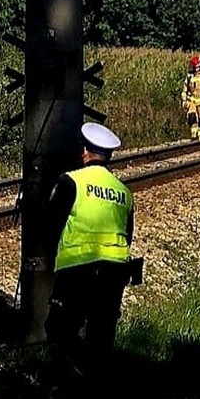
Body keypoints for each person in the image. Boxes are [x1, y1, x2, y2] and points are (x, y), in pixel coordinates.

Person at [45, 122, 136, 377]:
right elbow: (128, 234)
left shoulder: (71, 181)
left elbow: (51, 225)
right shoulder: (124, 192)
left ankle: (81, 375)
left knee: (59, 329)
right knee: (101, 333)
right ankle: (98, 384)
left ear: (84, 151)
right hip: (115, 272)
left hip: (77, 267)